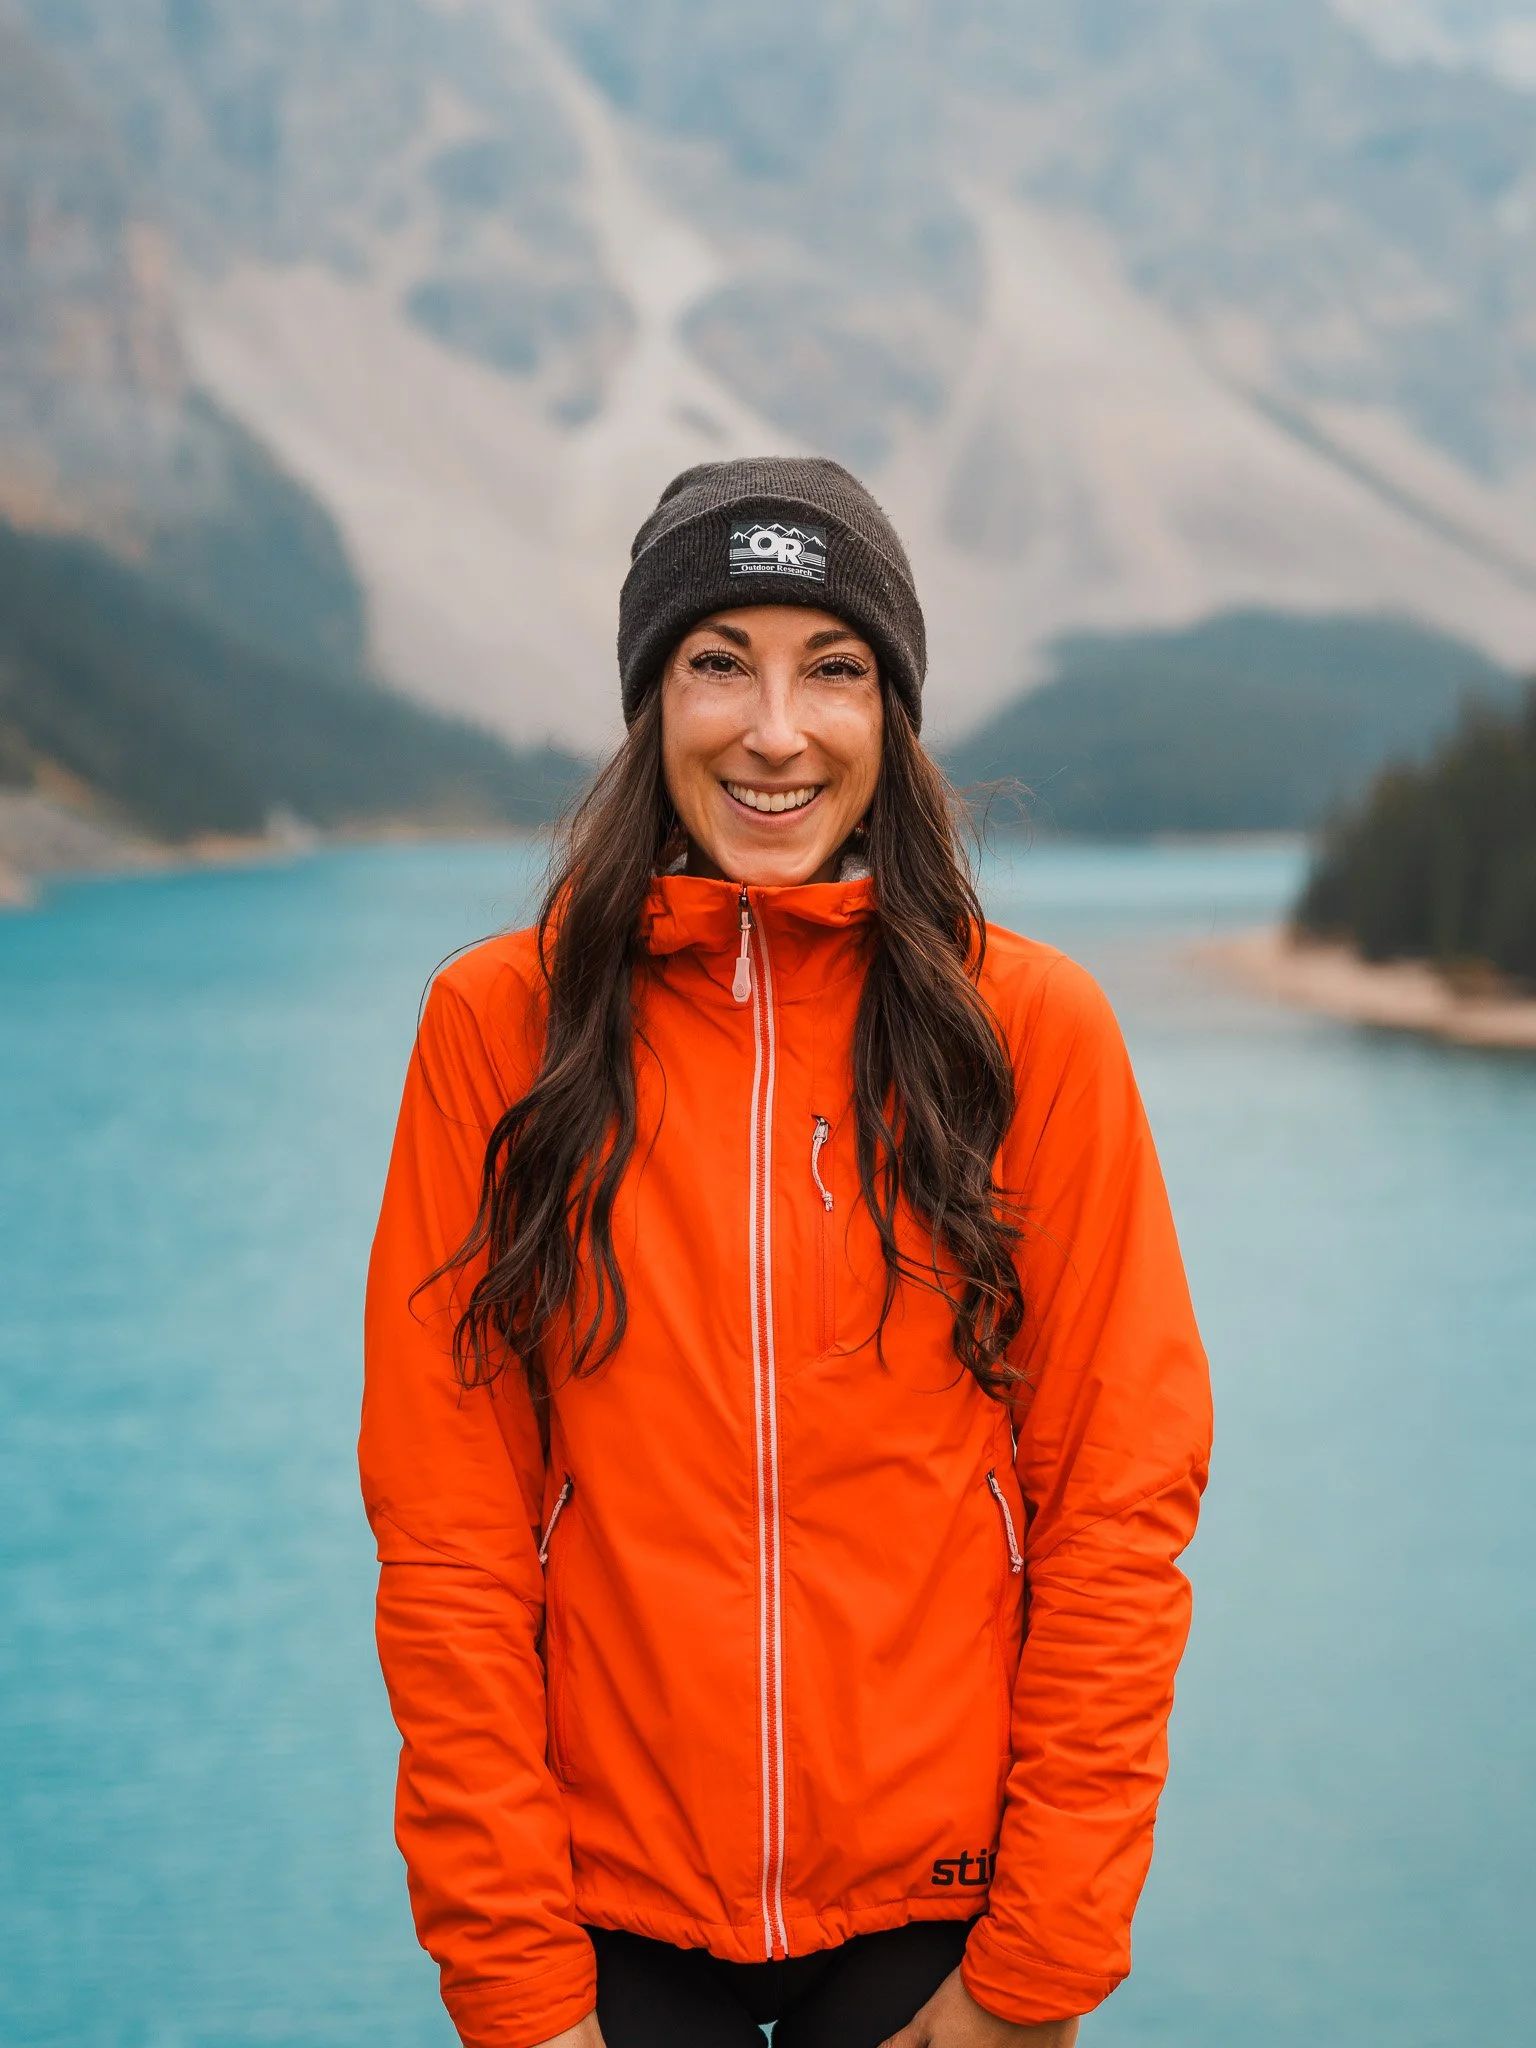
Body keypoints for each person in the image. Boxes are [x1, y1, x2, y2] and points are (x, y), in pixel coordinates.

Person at [361, 458, 1211, 2048]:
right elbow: (447, 1532)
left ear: (891, 715)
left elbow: (1116, 1507)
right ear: (648, 705)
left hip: (936, 1924)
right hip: (605, 1928)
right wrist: (513, 1985)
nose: (774, 730)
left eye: (832, 668)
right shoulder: (499, 1029)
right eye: (715, 663)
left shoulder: (1034, 1033)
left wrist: (1029, 1981)